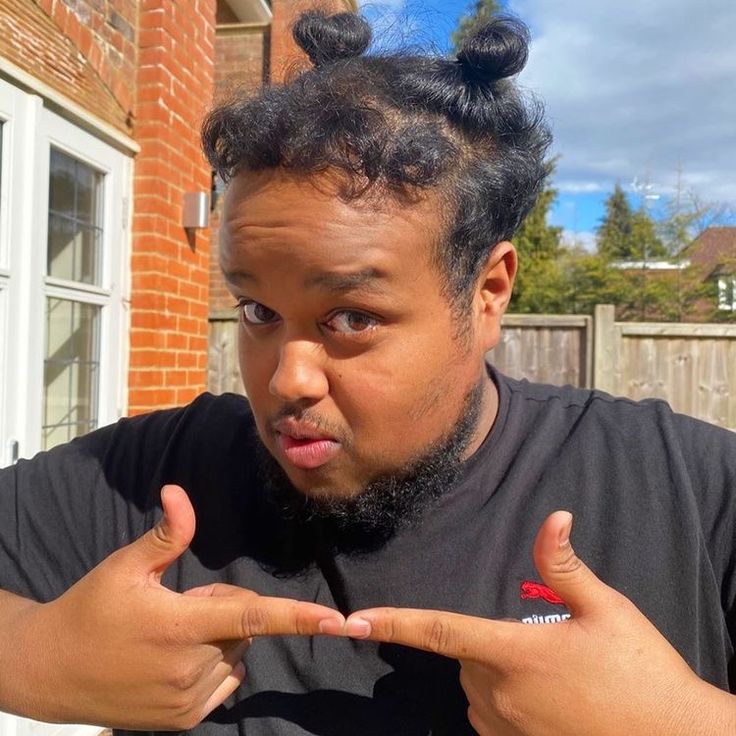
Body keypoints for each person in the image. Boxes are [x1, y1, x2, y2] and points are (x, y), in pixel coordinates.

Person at [0, 9, 734, 736]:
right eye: (257, 310)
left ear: (487, 294)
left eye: (350, 318)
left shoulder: (686, 490)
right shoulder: (160, 481)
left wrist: (683, 721)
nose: (288, 379)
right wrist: (40, 657)